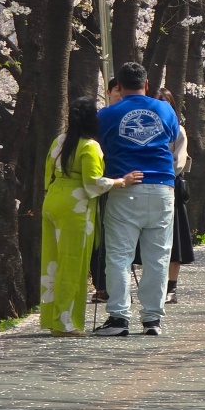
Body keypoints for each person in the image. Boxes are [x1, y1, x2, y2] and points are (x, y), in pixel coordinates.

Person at [41, 97, 142, 336]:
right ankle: (66, 323)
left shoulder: (59, 141)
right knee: (73, 263)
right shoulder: (90, 146)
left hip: (53, 199)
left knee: (53, 261)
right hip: (76, 206)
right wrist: (122, 181)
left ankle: (53, 318)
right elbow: (93, 183)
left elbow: (48, 175)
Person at [95, 61, 181, 336]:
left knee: (119, 256)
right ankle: (152, 319)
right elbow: (170, 138)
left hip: (125, 188)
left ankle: (119, 318)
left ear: (118, 87)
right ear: (147, 85)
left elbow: (102, 146)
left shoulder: (107, 114)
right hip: (163, 188)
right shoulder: (165, 109)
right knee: (158, 257)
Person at [89, 76, 122, 304]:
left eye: (123, 90)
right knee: (99, 237)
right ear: (108, 92)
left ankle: (117, 284)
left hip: (125, 183)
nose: (120, 94)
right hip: (104, 182)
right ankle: (101, 285)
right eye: (116, 90)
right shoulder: (101, 119)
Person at [157, 87, 192, 304]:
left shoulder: (178, 130)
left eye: (166, 103)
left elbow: (179, 161)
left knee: (175, 238)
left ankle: (172, 286)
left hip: (170, 185)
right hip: (148, 184)